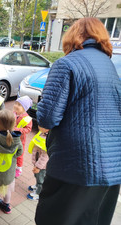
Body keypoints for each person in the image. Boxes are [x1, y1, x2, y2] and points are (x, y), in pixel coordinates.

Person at [35, 18, 121, 225]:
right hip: (113, 168)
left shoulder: (67, 63)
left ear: (76, 35)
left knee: (52, 219)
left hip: (75, 165)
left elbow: (47, 118)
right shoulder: (109, 66)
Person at [13, 96, 33, 178]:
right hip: (11, 138)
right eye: (16, 103)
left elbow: (28, 130)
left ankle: (19, 169)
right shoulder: (14, 113)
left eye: (19, 105)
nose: (16, 106)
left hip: (20, 140)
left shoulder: (27, 119)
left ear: (24, 108)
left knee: (19, 154)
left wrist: (17, 129)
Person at [26, 131, 48, 201]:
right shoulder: (41, 133)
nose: (39, 126)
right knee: (37, 176)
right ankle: (36, 186)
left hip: (42, 166)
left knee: (40, 180)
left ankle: (38, 193)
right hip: (37, 162)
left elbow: (45, 156)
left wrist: (38, 167)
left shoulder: (48, 139)